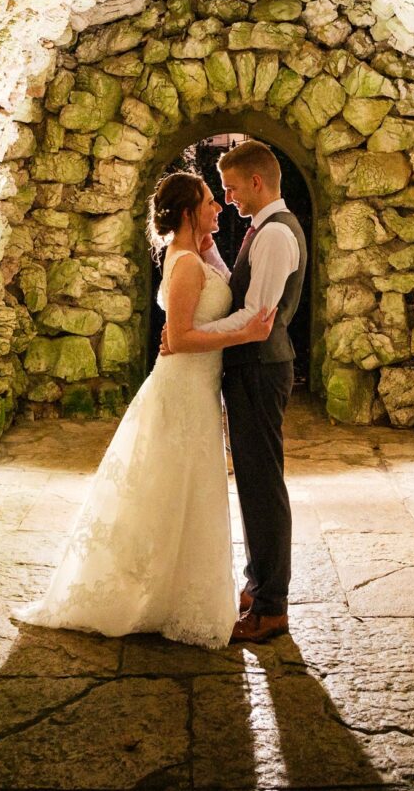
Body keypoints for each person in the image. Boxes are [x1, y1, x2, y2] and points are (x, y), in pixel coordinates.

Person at [10, 172, 275, 649]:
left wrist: (209, 241)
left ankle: (170, 591)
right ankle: (152, 594)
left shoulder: (195, 255)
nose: (219, 208)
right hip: (183, 390)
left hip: (195, 387)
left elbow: (196, 312)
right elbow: (180, 338)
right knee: (173, 488)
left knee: (178, 492)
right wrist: (246, 333)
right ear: (191, 212)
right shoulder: (187, 264)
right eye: (211, 202)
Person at [165, 140, 307, 645]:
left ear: (255, 181)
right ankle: (257, 581)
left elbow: (257, 319)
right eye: (217, 192)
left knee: (264, 487)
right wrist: (209, 256)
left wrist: (192, 335)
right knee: (252, 481)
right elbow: (238, 292)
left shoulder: (274, 236)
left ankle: (272, 606)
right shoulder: (263, 231)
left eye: (230, 188)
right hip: (249, 369)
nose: (228, 199)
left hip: (261, 370)